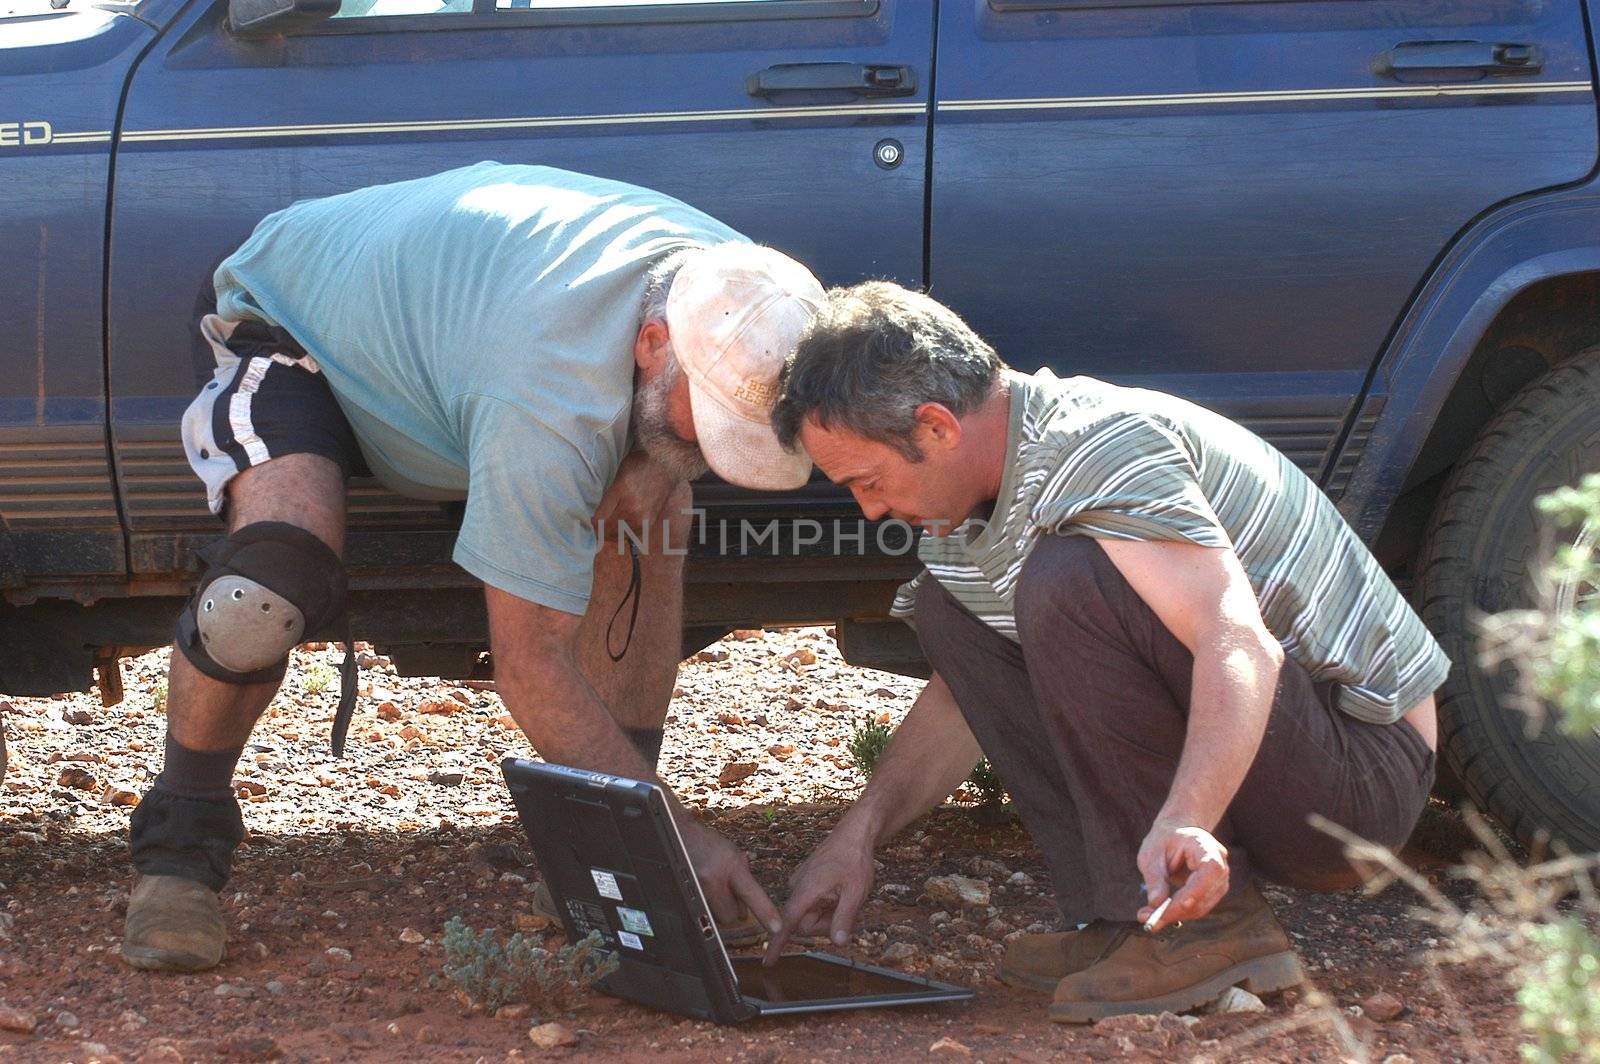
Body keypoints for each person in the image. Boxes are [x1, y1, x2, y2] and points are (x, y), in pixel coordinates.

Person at [122, 163, 824, 973]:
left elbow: (686, 411)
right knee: (263, 594)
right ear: (652, 343)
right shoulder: (549, 391)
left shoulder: (757, 301)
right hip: (304, 322)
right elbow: (530, 663)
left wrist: (661, 458)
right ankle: (179, 848)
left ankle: (614, 857)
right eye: (702, 424)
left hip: (455, 335)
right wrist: (683, 832)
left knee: (650, 518)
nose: (708, 444)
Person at [765, 282, 1447, 1022]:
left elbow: (1237, 638)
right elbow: (962, 700)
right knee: (947, 611)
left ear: (934, 428)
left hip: (1360, 778)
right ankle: (1126, 921)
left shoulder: (1095, 448)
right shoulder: (967, 510)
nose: (870, 509)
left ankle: (1206, 931)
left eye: (869, 481)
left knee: (1069, 579)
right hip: (1282, 756)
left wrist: (1186, 815)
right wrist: (855, 839)